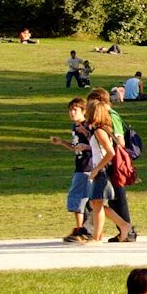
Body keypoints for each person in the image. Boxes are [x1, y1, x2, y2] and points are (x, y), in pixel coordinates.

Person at [84, 91, 133, 242]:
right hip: (101, 169)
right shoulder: (100, 130)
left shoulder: (99, 131)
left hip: (102, 170)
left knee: (97, 203)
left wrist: (96, 169)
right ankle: (123, 225)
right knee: (95, 203)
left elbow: (110, 152)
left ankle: (98, 235)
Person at [49, 97, 93, 242]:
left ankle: (81, 229)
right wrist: (61, 142)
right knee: (84, 200)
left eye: (75, 110)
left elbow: (99, 146)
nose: (72, 113)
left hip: (87, 166)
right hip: (79, 164)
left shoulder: (88, 126)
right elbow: (76, 149)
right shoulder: (75, 128)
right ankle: (85, 229)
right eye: (70, 110)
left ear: (84, 111)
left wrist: (86, 141)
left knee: (77, 198)